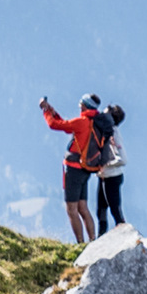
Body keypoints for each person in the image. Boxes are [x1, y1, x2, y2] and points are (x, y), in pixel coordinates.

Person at [40, 93, 108, 242]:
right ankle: (92, 241)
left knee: (71, 209)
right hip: (86, 169)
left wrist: (46, 111)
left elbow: (55, 125)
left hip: (73, 169)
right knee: (83, 207)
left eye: (80, 105)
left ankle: (80, 244)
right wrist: (53, 111)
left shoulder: (82, 121)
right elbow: (66, 125)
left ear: (84, 106)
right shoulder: (95, 121)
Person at [89, 101, 130, 235]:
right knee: (101, 210)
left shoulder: (113, 133)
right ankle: (101, 238)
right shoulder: (107, 131)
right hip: (104, 176)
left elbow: (123, 159)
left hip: (112, 177)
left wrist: (105, 164)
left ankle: (126, 236)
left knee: (115, 210)